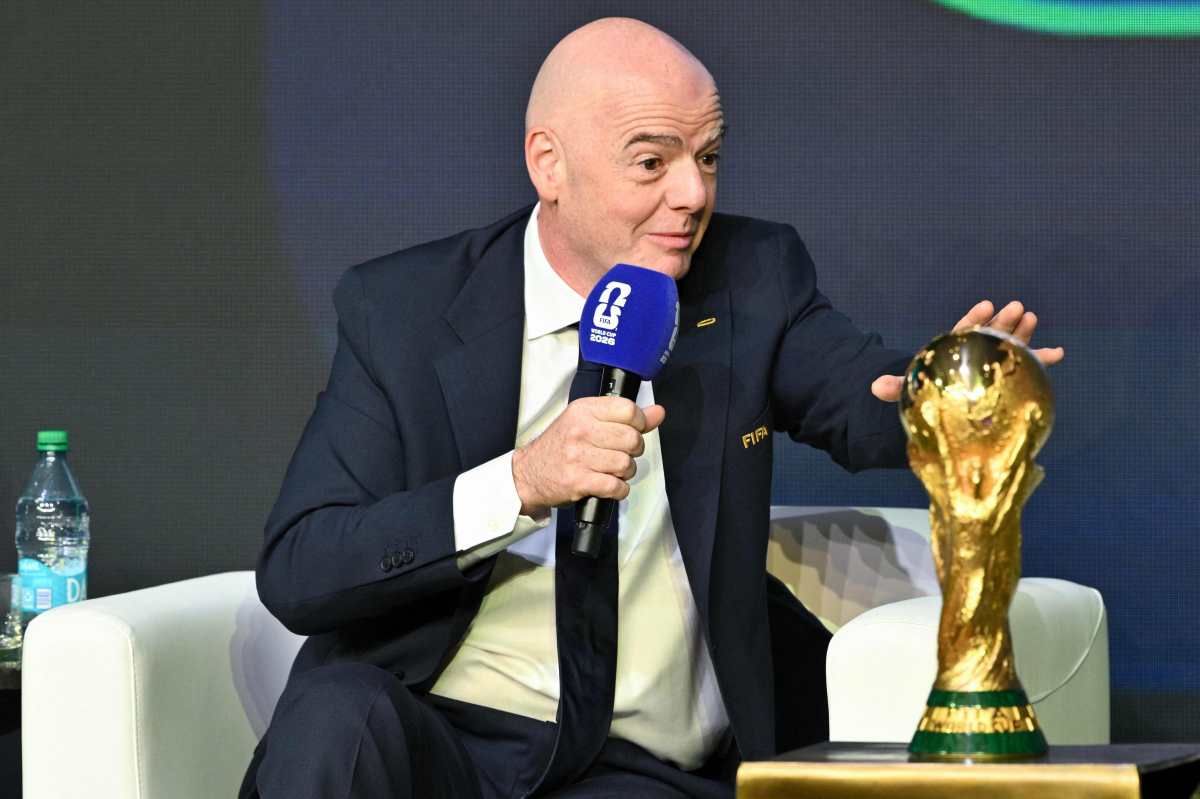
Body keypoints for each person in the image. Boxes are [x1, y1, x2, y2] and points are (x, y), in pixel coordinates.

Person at [239, 17, 1063, 799]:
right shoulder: (404, 310)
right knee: (334, 721)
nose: (692, 193)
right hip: (440, 728)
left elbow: (858, 394)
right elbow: (303, 566)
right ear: (549, 165)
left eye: (709, 157)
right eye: (651, 162)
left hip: (631, 763)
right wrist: (521, 481)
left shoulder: (750, 279)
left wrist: (950, 390)